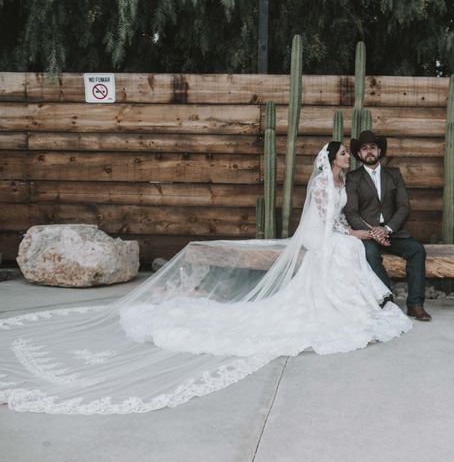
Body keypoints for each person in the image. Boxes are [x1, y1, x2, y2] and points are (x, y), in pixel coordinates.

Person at [0, 142, 411, 415]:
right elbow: (321, 221)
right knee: (345, 249)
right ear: (332, 159)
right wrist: (348, 235)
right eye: (342, 153)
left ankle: (359, 302)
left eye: (346, 154)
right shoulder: (324, 181)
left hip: (336, 231)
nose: (346, 157)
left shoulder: (342, 180)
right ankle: (348, 305)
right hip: (318, 237)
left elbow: (340, 217)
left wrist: (353, 232)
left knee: (352, 246)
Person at [344, 130, 432, 322]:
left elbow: (403, 206)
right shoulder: (353, 178)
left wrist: (387, 229)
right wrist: (372, 232)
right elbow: (351, 211)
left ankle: (415, 305)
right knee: (369, 254)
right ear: (359, 154)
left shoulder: (394, 174)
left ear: (379, 151)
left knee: (417, 250)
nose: (369, 152)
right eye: (364, 149)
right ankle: (387, 301)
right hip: (368, 234)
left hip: (394, 232)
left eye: (372, 148)